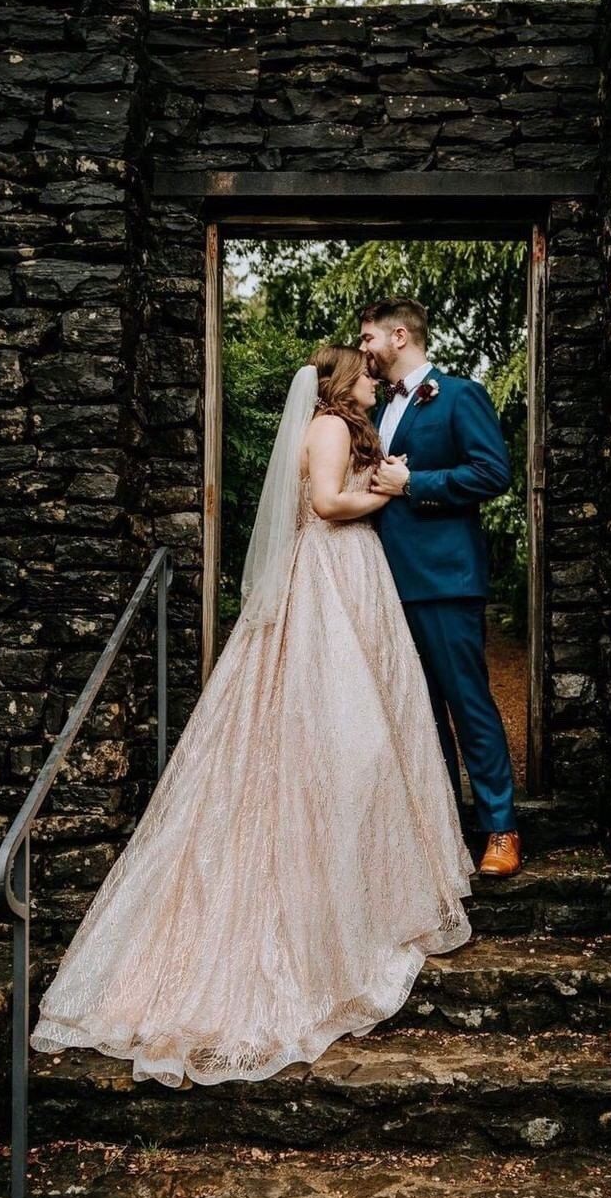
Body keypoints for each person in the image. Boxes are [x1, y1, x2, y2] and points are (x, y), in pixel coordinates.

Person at [29, 344, 474, 1088]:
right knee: (350, 735)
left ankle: (365, 882)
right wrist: (386, 494)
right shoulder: (329, 426)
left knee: (367, 729)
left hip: (351, 575)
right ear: (341, 383)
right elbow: (327, 506)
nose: (374, 382)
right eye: (366, 375)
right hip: (330, 575)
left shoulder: (343, 426)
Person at [358, 298, 521, 879]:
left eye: (369, 337)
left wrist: (414, 482)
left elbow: (494, 472)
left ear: (400, 336)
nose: (363, 348)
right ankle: (444, 829)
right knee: (418, 713)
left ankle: (501, 828)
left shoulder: (459, 395)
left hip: (446, 580)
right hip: (387, 582)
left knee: (468, 704)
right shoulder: (377, 410)